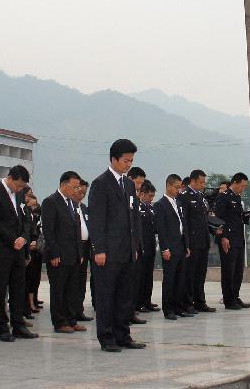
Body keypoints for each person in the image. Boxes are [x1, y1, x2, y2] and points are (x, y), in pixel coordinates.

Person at [88, 139, 145, 352]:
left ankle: (124, 335)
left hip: (127, 251)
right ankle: (107, 337)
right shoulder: (101, 184)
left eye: (131, 161)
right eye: (125, 160)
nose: (128, 164)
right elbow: (96, 220)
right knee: (106, 296)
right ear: (113, 159)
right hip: (108, 252)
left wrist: (136, 246)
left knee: (125, 296)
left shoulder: (129, 185)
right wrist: (99, 249)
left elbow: (134, 218)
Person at [0, 165, 37, 342]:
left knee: (18, 287)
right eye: (18, 185)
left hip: (19, 250)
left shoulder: (21, 195)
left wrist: (23, 237)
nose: (20, 189)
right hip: (2, 249)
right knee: (0, 289)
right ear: (10, 178)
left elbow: (26, 219)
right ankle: (2, 327)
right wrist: (12, 239)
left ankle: (18, 324)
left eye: (23, 186)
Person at [41, 171, 85, 334]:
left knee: (72, 290)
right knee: (59, 290)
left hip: (73, 255)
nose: (76, 190)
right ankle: (59, 322)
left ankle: (71, 319)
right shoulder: (50, 202)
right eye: (74, 187)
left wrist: (80, 253)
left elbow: (77, 231)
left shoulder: (72, 203)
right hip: (58, 255)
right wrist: (53, 253)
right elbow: (48, 230)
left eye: (78, 187)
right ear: (63, 184)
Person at [179, 169, 219, 313]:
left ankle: (200, 301)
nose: (203, 185)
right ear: (193, 181)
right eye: (201, 182)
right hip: (192, 242)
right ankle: (188, 303)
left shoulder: (201, 197)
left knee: (200, 274)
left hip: (203, 241)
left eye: (204, 182)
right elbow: (184, 223)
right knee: (190, 274)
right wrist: (187, 244)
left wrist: (214, 230)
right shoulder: (184, 197)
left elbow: (204, 220)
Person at [214, 172, 250, 310]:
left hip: (238, 239)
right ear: (235, 183)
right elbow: (219, 219)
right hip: (228, 239)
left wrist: (249, 217)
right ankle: (228, 300)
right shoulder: (223, 197)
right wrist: (223, 237)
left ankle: (235, 296)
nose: (243, 189)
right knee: (228, 271)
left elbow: (238, 217)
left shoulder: (237, 198)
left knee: (238, 271)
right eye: (242, 186)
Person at [153, 174, 190, 320]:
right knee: (170, 280)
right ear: (168, 185)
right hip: (170, 247)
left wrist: (186, 244)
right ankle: (168, 309)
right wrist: (164, 248)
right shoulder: (160, 205)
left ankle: (178, 307)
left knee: (180, 279)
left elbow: (183, 225)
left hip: (181, 245)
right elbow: (161, 229)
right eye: (176, 187)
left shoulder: (179, 203)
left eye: (180, 187)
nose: (178, 190)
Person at [125, 167, 147, 325]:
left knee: (134, 282)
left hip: (136, 246)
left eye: (141, 183)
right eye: (138, 182)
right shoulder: (124, 194)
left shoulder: (135, 197)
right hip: (125, 247)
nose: (139, 186)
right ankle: (125, 313)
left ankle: (131, 311)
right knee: (126, 282)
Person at [68, 179, 93, 323]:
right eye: (79, 191)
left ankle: (79, 309)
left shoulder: (84, 208)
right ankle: (70, 311)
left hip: (85, 247)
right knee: (73, 281)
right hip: (73, 248)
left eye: (84, 192)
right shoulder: (68, 207)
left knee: (82, 280)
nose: (81, 194)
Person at [135, 181, 158, 313]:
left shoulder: (150, 208)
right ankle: (139, 303)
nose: (151, 199)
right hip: (141, 246)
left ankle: (147, 300)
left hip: (150, 246)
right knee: (140, 276)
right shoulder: (137, 207)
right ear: (141, 194)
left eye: (153, 196)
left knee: (148, 276)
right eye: (149, 196)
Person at [23, 193, 43, 319]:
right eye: (32, 204)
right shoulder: (24, 213)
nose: (34, 207)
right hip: (26, 249)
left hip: (36, 250)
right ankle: (26, 306)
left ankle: (31, 303)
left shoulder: (34, 216)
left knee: (33, 279)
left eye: (35, 205)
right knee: (26, 280)